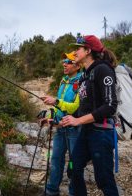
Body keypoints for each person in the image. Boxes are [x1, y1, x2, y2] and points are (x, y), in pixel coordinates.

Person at [61, 35, 119, 196]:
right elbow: (83, 108)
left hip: (101, 133)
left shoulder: (103, 70)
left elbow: (110, 106)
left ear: (88, 51)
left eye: (78, 48)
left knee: (104, 180)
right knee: (73, 169)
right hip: (87, 131)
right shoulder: (86, 75)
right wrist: (59, 120)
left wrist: (78, 120)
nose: (75, 52)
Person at [40, 51, 82, 196]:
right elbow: (58, 105)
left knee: (74, 163)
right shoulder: (63, 80)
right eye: (64, 60)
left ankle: (73, 192)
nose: (64, 63)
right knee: (56, 159)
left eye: (68, 61)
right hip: (60, 127)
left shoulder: (82, 81)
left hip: (75, 129)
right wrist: (52, 116)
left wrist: (56, 101)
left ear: (77, 65)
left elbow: (75, 107)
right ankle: (51, 191)